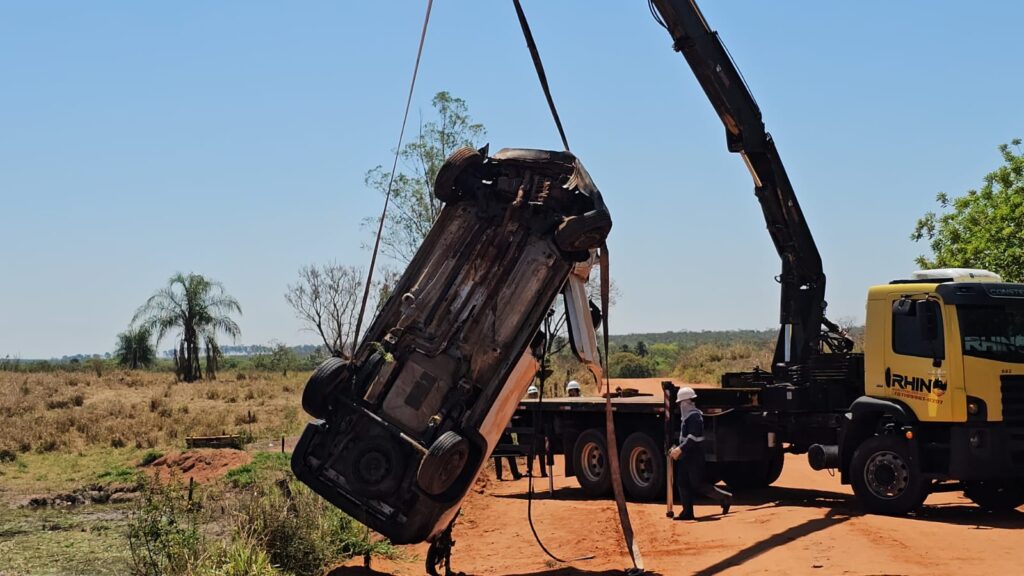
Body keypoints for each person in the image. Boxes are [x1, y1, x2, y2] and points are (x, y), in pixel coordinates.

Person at [670, 387, 732, 520]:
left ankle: (725, 497)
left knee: (697, 484)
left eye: (681, 403)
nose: (680, 406)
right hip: (686, 455)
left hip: (694, 456)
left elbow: (693, 437)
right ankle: (687, 512)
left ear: (686, 402)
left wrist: (680, 449)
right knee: (682, 482)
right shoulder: (687, 417)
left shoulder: (695, 416)